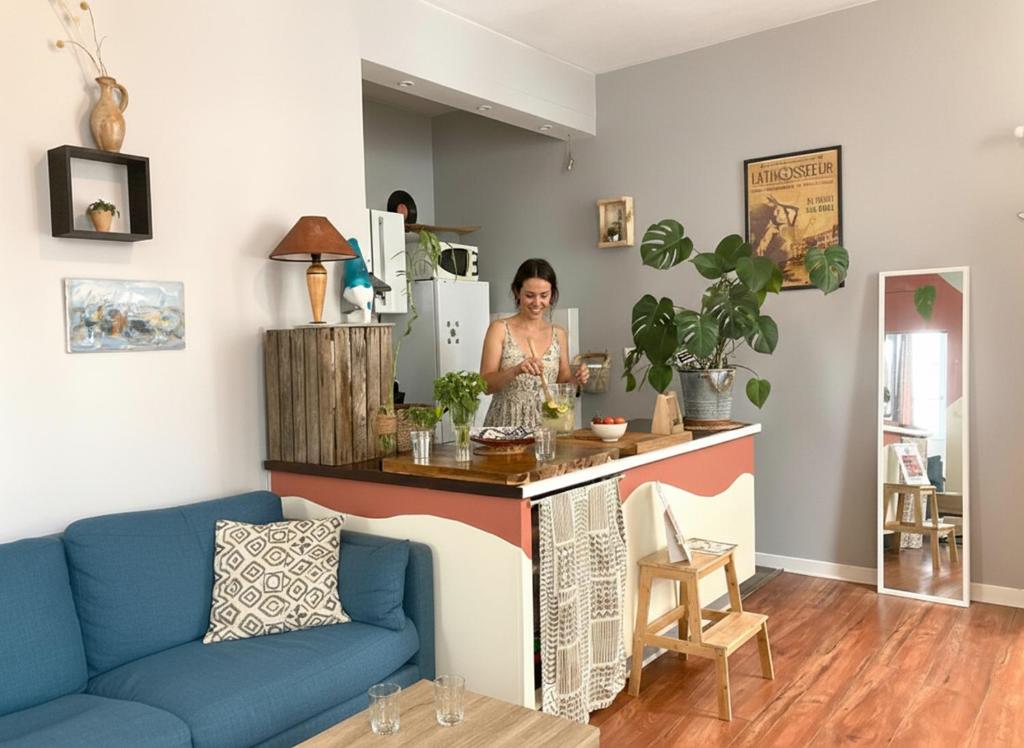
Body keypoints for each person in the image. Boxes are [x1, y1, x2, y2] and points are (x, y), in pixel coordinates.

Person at [480, 258, 589, 428]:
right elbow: (485, 385)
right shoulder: (499, 329)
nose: (537, 303)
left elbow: (562, 385)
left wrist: (576, 380)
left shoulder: (559, 334)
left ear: (552, 294)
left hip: (547, 428)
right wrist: (516, 370)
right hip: (505, 427)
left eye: (544, 295)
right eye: (530, 295)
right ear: (517, 292)